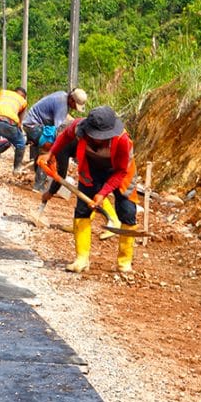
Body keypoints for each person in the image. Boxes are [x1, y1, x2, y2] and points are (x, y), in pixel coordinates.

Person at [38, 106, 138, 273]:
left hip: (120, 173)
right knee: (82, 211)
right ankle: (81, 259)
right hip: (91, 170)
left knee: (127, 211)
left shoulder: (122, 141)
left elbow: (121, 171)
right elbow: (64, 137)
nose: (99, 140)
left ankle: (124, 262)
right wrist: (51, 153)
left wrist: (102, 193)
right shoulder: (79, 128)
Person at [37, 121, 120, 241]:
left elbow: (61, 175)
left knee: (96, 190)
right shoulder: (65, 140)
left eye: (46, 147)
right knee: (88, 191)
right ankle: (79, 225)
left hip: (98, 159)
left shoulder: (62, 146)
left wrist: (50, 192)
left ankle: (113, 220)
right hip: (90, 158)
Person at [23, 88, 88, 191]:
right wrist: (58, 149)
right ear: (71, 100)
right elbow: (60, 131)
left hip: (32, 124)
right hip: (34, 126)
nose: (75, 108)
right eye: (75, 106)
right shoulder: (62, 105)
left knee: (45, 151)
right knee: (49, 149)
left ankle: (39, 176)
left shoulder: (62, 96)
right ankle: (38, 185)